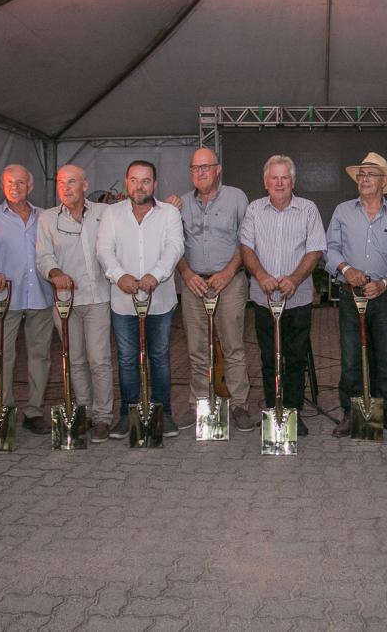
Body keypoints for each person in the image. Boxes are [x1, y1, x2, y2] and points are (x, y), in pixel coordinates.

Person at [325, 152, 387, 438]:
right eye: (361, 175)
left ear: (384, 181)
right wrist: (346, 269)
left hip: (384, 296)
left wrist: (386, 282)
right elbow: (329, 248)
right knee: (351, 357)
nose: (363, 179)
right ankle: (351, 414)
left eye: (370, 174)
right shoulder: (342, 211)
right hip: (350, 294)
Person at [97, 160, 185, 438]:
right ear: (126, 182)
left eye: (146, 180)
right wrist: (118, 275)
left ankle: (164, 414)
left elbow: (175, 247)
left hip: (159, 300)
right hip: (123, 301)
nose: (139, 186)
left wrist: (155, 275)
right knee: (126, 359)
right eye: (134, 180)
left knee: (159, 356)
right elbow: (103, 250)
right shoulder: (112, 213)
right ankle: (127, 414)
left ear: (155, 184)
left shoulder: (169, 213)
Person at [240, 155, 326, 437]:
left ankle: (292, 412)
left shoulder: (308, 210)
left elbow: (315, 250)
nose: (279, 182)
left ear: (293, 181)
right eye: (274, 178)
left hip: (298, 299)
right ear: (265, 182)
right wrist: (261, 275)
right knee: (268, 358)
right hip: (264, 300)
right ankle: (272, 411)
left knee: (296, 358)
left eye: (284, 177)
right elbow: (246, 248)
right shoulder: (254, 210)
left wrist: (294, 279)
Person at [0, 165, 54, 436]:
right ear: (2, 185)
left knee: (40, 356)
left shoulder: (44, 217)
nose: (15, 187)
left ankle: (34, 411)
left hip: (40, 297)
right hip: (4, 299)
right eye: (10, 183)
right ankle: (2, 411)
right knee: (0, 356)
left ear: (30, 187)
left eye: (21, 183)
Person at [36, 164, 115, 442]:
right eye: (60, 183)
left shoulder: (104, 213)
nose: (66, 188)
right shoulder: (46, 219)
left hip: (98, 299)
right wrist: (55, 274)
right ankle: (84, 412)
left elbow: (134, 218)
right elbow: (43, 257)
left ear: (85, 184)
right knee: (75, 360)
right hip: (65, 302)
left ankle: (103, 416)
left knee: (99, 359)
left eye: (71, 182)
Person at [176, 148, 252, 432]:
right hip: (193, 283)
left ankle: (240, 404)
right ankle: (198, 405)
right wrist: (186, 273)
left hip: (229, 282)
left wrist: (229, 272)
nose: (200, 173)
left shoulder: (236, 198)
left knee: (233, 345)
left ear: (218, 169)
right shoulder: (181, 204)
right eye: (195, 168)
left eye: (205, 167)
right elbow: (174, 245)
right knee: (197, 349)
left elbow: (246, 241)